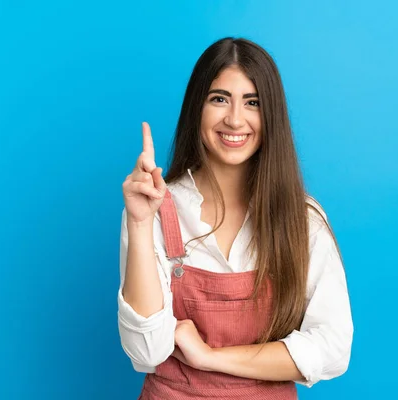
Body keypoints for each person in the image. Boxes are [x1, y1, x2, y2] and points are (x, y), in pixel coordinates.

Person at [118, 37, 354, 399]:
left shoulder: (302, 218)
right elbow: (146, 351)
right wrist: (138, 222)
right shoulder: (152, 207)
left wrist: (212, 358)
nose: (234, 119)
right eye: (219, 99)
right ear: (197, 106)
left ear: (271, 113)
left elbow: (332, 349)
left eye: (252, 102)